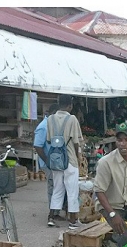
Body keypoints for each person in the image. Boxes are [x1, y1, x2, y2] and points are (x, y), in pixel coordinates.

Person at [45, 94, 83, 229]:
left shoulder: (50, 119)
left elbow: (49, 140)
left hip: (56, 159)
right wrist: (79, 157)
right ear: (70, 105)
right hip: (70, 159)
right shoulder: (72, 119)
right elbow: (76, 141)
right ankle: (73, 221)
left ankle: (51, 217)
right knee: (72, 189)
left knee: (57, 188)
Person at [33, 103, 61, 226]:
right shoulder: (43, 126)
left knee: (57, 186)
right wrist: (47, 161)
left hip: (55, 161)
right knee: (53, 187)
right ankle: (52, 214)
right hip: (48, 162)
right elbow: (38, 146)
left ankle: (56, 212)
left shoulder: (52, 124)